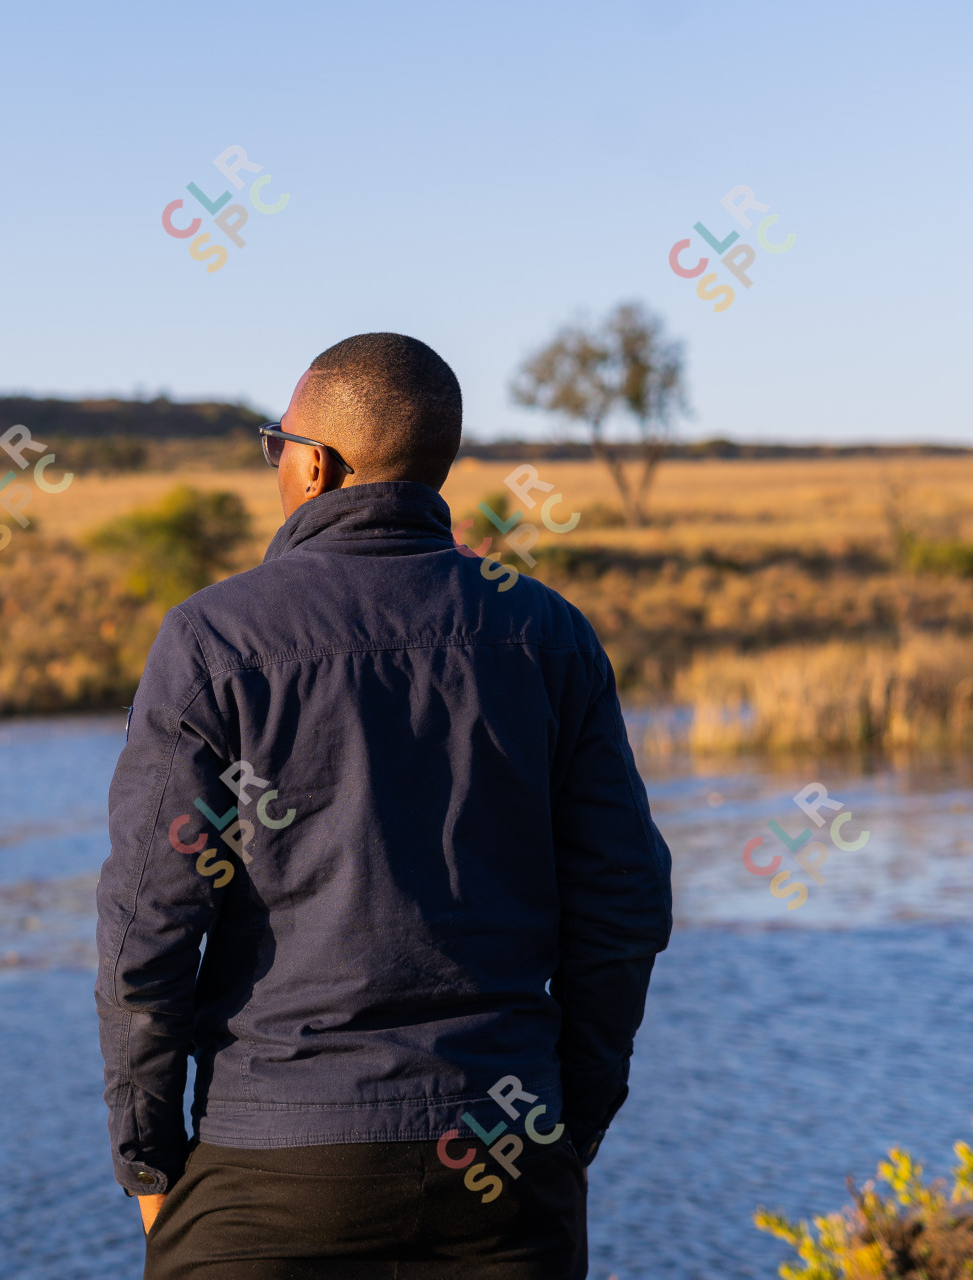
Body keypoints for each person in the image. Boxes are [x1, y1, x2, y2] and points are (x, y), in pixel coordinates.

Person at [95, 332, 672, 1279]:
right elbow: (626, 905)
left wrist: (150, 1166)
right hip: (507, 1163)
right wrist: (565, 1124)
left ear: (314, 465)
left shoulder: (211, 640)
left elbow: (146, 929)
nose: (274, 462)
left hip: (272, 1165)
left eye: (275, 443)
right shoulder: (550, 636)